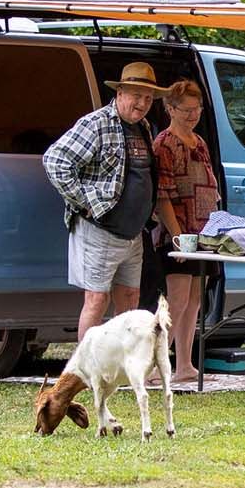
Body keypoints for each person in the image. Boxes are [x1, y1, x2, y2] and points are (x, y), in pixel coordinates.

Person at [43, 61, 170, 343]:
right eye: (136, 95)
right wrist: (86, 202)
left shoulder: (143, 127)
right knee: (97, 299)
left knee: (130, 298)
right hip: (100, 230)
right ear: (120, 93)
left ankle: (118, 363)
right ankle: (87, 366)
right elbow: (55, 160)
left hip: (133, 234)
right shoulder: (96, 123)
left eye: (148, 98)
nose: (142, 103)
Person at [153, 79, 220, 385]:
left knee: (194, 299)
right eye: (186, 110)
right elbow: (163, 196)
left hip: (203, 232)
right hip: (179, 234)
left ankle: (184, 365)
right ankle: (155, 366)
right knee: (176, 300)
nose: (193, 115)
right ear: (170, 109)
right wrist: (177, 236)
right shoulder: (165, 144)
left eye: (197, 109)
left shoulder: (199, 142)